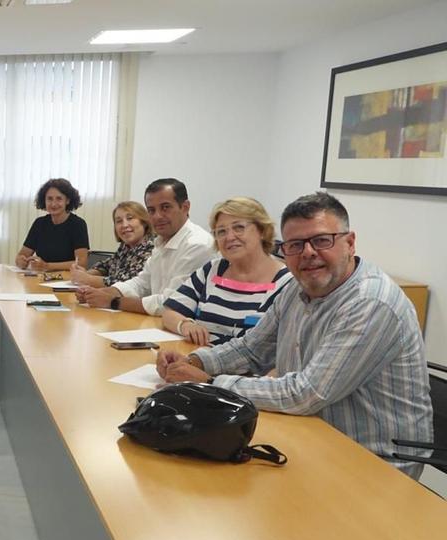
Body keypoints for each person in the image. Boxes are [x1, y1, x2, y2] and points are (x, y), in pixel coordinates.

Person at [156, 192, 432, 478]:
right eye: (296, 245)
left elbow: (306, 393)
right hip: (311, 432)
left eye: (322, 240)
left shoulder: (370, 302)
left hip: (374, 461)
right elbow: (251, 349)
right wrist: (195, 361)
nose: (308, 252)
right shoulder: (295, 289)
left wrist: (210, 383)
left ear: (350, 243)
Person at [160, 197, 292, 346]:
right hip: (196, 356)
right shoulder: (213, 270)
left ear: (262, 230)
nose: (229, 237)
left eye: (239, 228)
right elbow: (170, 312)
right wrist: (185, 325)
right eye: (221, 231)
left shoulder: (286, 283)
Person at [75, 178, 214, 315]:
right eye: (151, 210)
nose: (157, 216)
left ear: (185, 207)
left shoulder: (197, 244)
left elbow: (171, 303)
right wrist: (97, 294)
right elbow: (141, 283)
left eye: (165, 207)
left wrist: (113, 301)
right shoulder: (161, 241)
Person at [70, 201, 155, 288]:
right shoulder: (126, 246)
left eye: (130, 218)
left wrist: (88, 279)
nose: (124, 225)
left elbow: (127, 283)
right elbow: (106, 265)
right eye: (119, 221)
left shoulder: (151, 248)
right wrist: (85, 274)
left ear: (144, 222)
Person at [15, 178, 89, 271]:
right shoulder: (39, 223)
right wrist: (21, 261)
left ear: (67, 200)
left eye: (59, 199)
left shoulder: (78, 224)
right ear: (44, 200)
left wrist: (47, 266)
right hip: (41, 276)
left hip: (67, 277)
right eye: (49, 199)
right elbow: (22, 254)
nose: (53, 204)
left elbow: (81, 263)